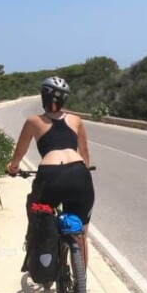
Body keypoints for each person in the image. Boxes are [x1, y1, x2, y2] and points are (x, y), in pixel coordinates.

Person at [7, 76, 95, 269]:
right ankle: (81, 280)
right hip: (79, 174)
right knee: (82, 233)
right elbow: (84, 152)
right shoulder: (76, 120)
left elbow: (19, 153)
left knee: (40, 216)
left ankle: (41, 257)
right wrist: (84, 169)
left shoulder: (33, 121)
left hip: (50, 176)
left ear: (43, 97)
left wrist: (13, 168)